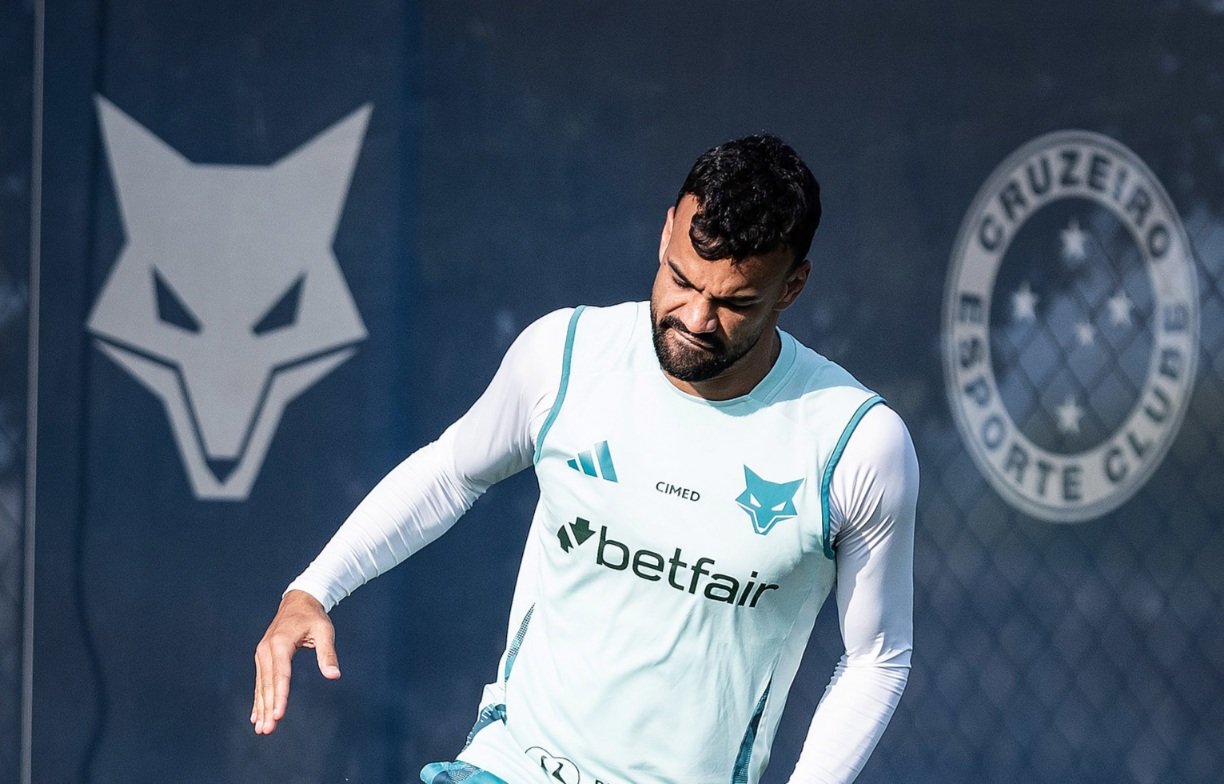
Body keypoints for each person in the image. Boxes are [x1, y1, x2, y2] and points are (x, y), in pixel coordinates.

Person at [252, 133, 918, 784]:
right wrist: (314, 588)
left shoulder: (856, 443)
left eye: (734, 303)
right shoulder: (565, 354)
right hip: (511, 766)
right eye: (681, 279)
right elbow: (450, 472)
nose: (695, 318)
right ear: (666, 233)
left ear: (792, 287)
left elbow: (877, 658)